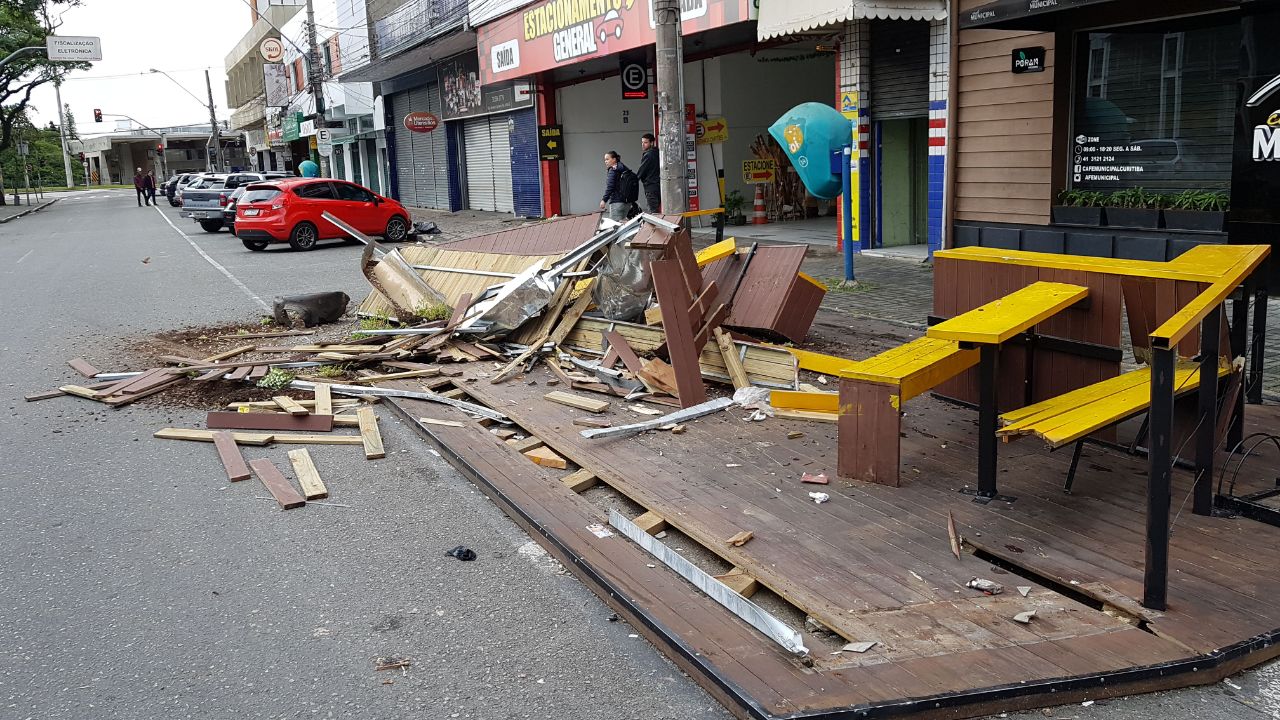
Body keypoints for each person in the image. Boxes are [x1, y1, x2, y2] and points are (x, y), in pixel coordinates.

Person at [598, 150, 635, 222]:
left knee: (614, 225)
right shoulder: (624, 168)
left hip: (616, 202)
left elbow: (610, 187)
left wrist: (604, 200)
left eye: (607, 159)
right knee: (623, 225)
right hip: (627, 203)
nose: (605, 161)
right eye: (605, 160)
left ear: (614, 159)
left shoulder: (613, 171)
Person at [637, 133, 660, 213]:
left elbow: (641, 170)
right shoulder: (657, 152)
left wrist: (634, 180)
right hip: (658, 185)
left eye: (645, 142)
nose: (643, 145)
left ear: (652, 142)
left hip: (650, 186)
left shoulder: (648, 155)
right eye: (642, 142)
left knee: (652, 212)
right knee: (656, 210)